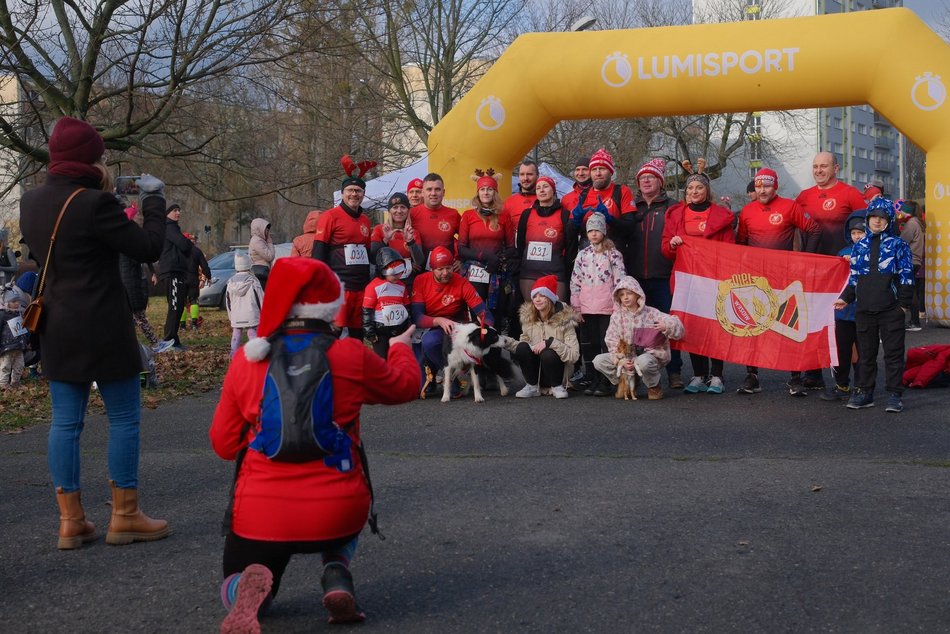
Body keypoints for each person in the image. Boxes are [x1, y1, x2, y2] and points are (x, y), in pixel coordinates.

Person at [210, 257, 419, 630]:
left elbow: (224, 446)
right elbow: (404, 387)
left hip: (261, 513)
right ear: (330, 306)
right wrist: (401, 347)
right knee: (340, 520)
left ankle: (248, 586)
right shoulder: (351, 355)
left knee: (236, 578)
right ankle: (337, 568)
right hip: (338, 509)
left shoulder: (246, 360)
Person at [19, 116, 169, 549]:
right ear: (90, 158)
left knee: (65, 422)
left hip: (57, 324)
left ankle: (71, 521)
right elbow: (148, 247)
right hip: (103, 323)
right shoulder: (95, 204)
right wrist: (154, 201)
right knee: (123, 416)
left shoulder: (30, 201)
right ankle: (124, 515)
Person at [736, 167, 821, 396]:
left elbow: (814, 230)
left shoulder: (790, 206)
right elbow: (740, 243)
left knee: (789, 325)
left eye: (767, 186)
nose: (762, 190)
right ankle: (752, 376)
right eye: (759, 186)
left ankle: (795, 377)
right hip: (755, 277)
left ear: (776, 186)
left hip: (785, 276)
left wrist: (805, 259)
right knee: (752, 326)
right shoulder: (746, 211)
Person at [834, 197, 915, 413]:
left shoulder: (898, 245)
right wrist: (846, 298)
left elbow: (907, 276)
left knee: (893, 354)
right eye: (873, 217)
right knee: (866, 355)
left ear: (889, 219)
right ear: (868, 219)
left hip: (891, 310)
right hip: (864, 309)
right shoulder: (859, 246)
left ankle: (895, 395)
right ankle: (865, 392)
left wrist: (903, 306)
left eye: (882, 217)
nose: (877, 221)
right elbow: (854, 278)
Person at [661, 164, 736, 394]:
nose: (694, 191)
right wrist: (672, 245)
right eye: (690, 188)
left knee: (715, 327)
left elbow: (730, 249)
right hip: (686, 280)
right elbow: (665, 247)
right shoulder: (676, 214)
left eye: (699, 187)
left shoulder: (721, 216)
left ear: (707, 191)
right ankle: (699, 374)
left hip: (713, 279)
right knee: (692, 326)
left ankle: (717, 375)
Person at [794, 151, 866, 390]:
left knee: (846, 323)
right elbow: (791, 226)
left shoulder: (850, 194)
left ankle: (856, 376)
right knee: (813, 320)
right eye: (815, 166)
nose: (818, 170)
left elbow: (868, 228)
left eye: (823, 166)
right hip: (813, 271)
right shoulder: (803, 196)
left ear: (836, 168)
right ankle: (813, 373)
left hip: (844, 270)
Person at [614, 157, 684, 390]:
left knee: (667, 326)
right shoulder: (632, 207)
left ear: (660, 181)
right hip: (636, 280)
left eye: (650, 177)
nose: (645, 181)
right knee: (637, 329)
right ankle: (640, 374)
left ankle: (675, 371)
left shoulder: (673, 206)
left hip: (663, 275)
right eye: (642, 178)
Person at [411, 246, 492, 393]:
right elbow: (417, 317)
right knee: (428, 342)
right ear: (432, 269)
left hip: (456, 327)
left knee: (455, 391)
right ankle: (442, 370)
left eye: (448, 268)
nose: (445, 273)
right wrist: (438, 320)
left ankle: (456, 373)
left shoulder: (461, 281)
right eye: (440, 269)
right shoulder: (421, 280)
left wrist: (486, 329)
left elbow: (482, 311)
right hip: (431, 326)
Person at [591, 276, 684, 399]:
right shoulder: (616, 317)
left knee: (643, 362)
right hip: (627, 357)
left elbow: (678, 326)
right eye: (622, 294)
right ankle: (626, 381)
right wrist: (620, 360)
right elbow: (611, 339)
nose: (625, 297)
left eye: (629, 293)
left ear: (637, 294)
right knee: (598, 360)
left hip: (648, 356)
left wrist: (666, 326)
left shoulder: (651, 313)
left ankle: (653, 385)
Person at [313, 158, 374, 340]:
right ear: (342, 193)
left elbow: (367, 253)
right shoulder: (330, 216)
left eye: (358, 191)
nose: (354, 194)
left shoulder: (365, 220)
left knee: (357, 335)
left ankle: (354, 367)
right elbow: (318, 252)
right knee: (333, 333)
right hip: (339, 287)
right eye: (350, 190)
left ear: (363, 194)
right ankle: (326, 367)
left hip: (360, 288)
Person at [569, 213, 626, 393]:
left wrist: (619, 306)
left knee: (606, 343)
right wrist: (576, 307)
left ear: (604, 231)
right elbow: (575, 281)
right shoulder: (582, 255)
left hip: (608, 307)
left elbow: (620, 281)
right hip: (587, 307)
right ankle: (592, 377)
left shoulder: (614, 255)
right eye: (590, 230)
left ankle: (607, 379)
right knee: (590, 344)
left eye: (597, 230)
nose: (594, 234)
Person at [505, 275, 580, 399]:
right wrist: (504, 341)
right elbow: (523, 347)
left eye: (542, 296)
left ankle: (557, 386)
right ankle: (532, 386)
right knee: (523, 347)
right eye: (535, 296)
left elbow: (574, 356)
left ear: (550, 298)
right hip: (536, 373)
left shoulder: (565, 320)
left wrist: (550, 343)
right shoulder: (529, 318)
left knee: (548, 352)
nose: (537, 299)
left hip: (557, 372)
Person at [458, 169, 513, 326]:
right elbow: (462, 249)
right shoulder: (468, 216)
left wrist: (498, 259)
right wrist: (484, 256)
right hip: (475, 270)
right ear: (478, 193)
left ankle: (493, 348)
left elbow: (511, 247)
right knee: (477, 312)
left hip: (496, 271)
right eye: (482, 189)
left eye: (489, 189)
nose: (486, 192)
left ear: (495, 192)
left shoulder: (504, 216)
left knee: (495, 313)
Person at [821, 212, 865, 402]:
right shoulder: (842, 253)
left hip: (864, 312)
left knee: (864, 352)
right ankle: (842, 384)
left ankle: (862, 386)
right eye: (854, 232)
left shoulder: (875, 253)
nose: (857, 236)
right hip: (843, 313)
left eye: (861, 232)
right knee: (841, 350)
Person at [514, 175, 578, 302]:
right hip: (529, 273)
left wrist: (567, 272)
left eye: (545, 187)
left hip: (555, 274)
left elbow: (571, 248)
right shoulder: (527, 214)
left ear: (553, 190)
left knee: (556, 317)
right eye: (538, 188)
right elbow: (520, 245)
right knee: (531, 316)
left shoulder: (564, 214)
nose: (541, 190)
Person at [119, 203, 161, 350]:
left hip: (132, 279)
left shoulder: (133, 235)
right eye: (137, 215)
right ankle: (155, 343)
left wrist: (152, 272)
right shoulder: (128, 238)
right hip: (129, 281)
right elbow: (138, 255)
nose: (140, 217)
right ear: (131, 218)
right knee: (139, 316)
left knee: (134, 317)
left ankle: (132, 344)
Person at [362, 247, 411, 358]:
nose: (397, 276)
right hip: (381, 331)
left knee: (398, 358)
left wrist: (408, 326)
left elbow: (407, 308)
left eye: (400, 271)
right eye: (393, 272)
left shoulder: (402, 286)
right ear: (382, 270)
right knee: (382, 359)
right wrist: (369, 331)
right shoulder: (373, 286)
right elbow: (367, 311)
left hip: (399, 329)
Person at [157, 203, 193, 351]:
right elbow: (184, 245)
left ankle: (174, 340)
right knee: (174, 306)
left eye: (179, 210)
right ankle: (168, 341)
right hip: (171, 272)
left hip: (177, 271)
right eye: (175, 211)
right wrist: (187, 242)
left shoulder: (173, 227)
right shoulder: (169, 227)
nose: (178, 213)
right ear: (167, 214)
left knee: (178, 307)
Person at [370, 192, 424, 282]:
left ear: (408, 210)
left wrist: (410, 241)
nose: (399, 211)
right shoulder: (379, 229)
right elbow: (373, 259)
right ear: (389, 211)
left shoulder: (413, 232)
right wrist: (385, 240)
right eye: (395, 207)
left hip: (407, 282)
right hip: (385, 282)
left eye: (403, 207)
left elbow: (419, 262)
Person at [409, 172, 459, 265]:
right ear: (423, 193)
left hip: (445, 271)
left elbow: (467, 240)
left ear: (443, 192)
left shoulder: (453, 214)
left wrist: (461, 259)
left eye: (437, 189)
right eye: (429, 189)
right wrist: (408, 262)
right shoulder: (411, 214)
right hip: (420, 270)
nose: (433, 193)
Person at [225, 252, 263, 358]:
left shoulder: (230, 282)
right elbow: (261, 298)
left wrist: (230, 315)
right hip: (252, 313)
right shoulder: (254, 281)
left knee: (236, 335)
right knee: (252, 333)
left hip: (236, 315)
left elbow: (228, 301)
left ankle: (233, 354)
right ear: (248, 265)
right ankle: (256, 353)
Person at [898, 200, 925, 331]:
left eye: (901, 210)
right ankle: (915, 321)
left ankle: (914, 322)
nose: (899, 212)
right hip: (916, 261)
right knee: (912, 290)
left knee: (907, 291)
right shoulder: (917, 222)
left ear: (906, 211)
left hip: (909, 261)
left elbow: (902, 241)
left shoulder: (911, 224)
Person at [180, 233, 210, 331]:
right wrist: (208, 277)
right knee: (194, 301)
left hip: (181, 278)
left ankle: (183, 325)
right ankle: (193, 324)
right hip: (193, 278)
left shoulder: (178, 250)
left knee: (182, 303)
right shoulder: (197, 251)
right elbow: (204, 266)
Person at [0, 286, 28, 388]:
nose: (17, 303)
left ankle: (15, 382)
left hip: (19, 346)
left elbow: (23, 328)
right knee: (5, 366)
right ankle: (3, 384)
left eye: (17, 301)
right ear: (6, 302)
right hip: (6, 346)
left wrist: (26, 340)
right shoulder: (2, 314)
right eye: (13, 301)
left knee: (19, 365)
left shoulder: (20, 314)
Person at [248, 217, 275, 289]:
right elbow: (269, 256)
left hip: (261, 271)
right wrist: (270, 243)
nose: (268, 232)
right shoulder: (257, 241)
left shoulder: (259, 240)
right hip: (261, 272)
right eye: (266, 229)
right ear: (260, 229)